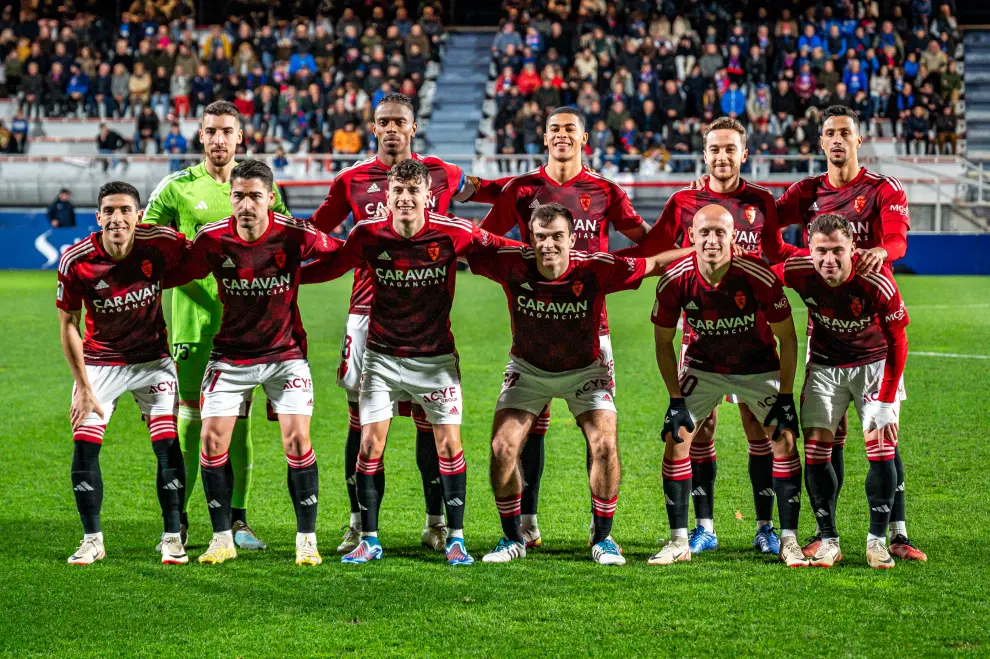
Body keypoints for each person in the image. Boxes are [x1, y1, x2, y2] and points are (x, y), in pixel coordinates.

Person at [307, 93, 500, 555]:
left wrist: (538, 189)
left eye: (400, 122)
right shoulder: (350, 181)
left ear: (413, 128)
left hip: (427, 319)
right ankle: (359, 524)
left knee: (427, 426)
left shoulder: (443, 174)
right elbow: (318, 232)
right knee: (362, 426)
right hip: (365, 317)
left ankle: (437, 523)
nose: (392, 129)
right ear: (373, 128)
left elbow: (493, 191)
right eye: (383, 122)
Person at [472, 203, 690, 565]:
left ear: (572, 239)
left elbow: (655, 264)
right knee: (502, 447)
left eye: (557, 236)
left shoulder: (595, 268)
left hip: (586, 372)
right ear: (530, 238)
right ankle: (512, 539)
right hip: (528, 370)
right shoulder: (510, 263)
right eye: (541, 237)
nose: (549, 245)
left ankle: (602, 538)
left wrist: (699, 250)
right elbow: (465, 243)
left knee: (604, 445)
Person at [625, 117, 798, 556]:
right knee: (699, 432)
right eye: (714, 149)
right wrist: (696, 252)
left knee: (760, 430)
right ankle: (703, 528)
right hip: (700, 333)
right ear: (705, 155)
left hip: (752, 331)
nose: (722, 156)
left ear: (744, 154)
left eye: (730, 149)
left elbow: (775, 256)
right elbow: (654, 251)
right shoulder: (683, 201)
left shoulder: (761, 201)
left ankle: (766, 527)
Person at [479, 106, 649, 549]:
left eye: (569, 130)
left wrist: (682, 241)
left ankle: (599, 527)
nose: (560, 136)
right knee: (529, 427)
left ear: (585, 138)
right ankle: (527, 523)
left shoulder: (605, 190)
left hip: (593, 329)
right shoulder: (522, 189)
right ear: (544, 137)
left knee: (597, 433)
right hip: (535, 319)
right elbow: (487, 238)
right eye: (553, 129)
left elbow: (643, 237)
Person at [760, 105, 924, 561]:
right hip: (826, 340)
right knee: (825, 440)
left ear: (858, 140)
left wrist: (877, 252)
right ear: (820, 141)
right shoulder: (806, 192)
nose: (837, 140)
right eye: (829, 133)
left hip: (872, 322)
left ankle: (896, 533)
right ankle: (826, 532)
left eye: (844, 133)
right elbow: (765, 227)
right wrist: (810, 258)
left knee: (883, 435)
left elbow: (898, 241)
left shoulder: (880, 189)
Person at [172, 160, 342, 566]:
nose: (246, 204)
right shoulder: (212, 238)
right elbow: (179, 271)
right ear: (230, 198)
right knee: (213, 443)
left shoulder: (294, 233)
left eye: (254, 196)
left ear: (270, 198)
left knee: (297, 441)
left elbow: (341, 254)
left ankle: (307, 539)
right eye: (238, 196)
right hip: (230, 355)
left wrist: (304, 276)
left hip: (285, 356)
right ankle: (221, 538)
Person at [143, 101, 289, 552]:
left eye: (228, 131)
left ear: (241, 136)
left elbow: (281, 240)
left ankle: (237, 521)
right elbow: (147, 249)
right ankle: (179, 521)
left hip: (248, 326)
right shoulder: (178, 188)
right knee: (188, 424)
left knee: (239, 426)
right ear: (200, 137)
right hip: (194, 326)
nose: (219, 139)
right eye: (211, 131)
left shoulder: (261, 186)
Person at [650, 205, 806, 567]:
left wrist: (784, 396)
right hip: (704, 368)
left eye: (720, 232)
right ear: (691, 237)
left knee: (782, 437)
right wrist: (676, 400)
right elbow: (662, 343)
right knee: (677, 436)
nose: (712, 240)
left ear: (733, 237)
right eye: (704, 232)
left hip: (757, 366)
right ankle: (678, 541)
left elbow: (788, 337)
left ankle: (788, 540)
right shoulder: (675, 279)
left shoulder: (757, 274)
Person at [56, 181, 189, 566]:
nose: (117, 218)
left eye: (125, 210)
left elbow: (199, 256)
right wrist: (82, 387)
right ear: (98, 218)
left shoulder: (161, 243)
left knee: (166, 443)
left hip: (152, 362)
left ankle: (171, 535)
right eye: (109, 211)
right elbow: (68, 324)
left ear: (137, 216)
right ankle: (92, 538)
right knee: (84, 443)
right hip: (100, 363)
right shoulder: (76, 260)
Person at [773, 214, 910, 568]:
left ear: (853, 248)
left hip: (875, 365)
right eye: (820, 251)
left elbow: (898, 341)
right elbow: (761, 273)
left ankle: (876, 541)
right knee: (817, 451)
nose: (828, 260)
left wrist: (886, 396)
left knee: (881, 450)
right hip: (824, 366)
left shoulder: (877, 280)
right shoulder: (800, 270)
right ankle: (828, 539)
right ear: (809, 248)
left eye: (837, 250)